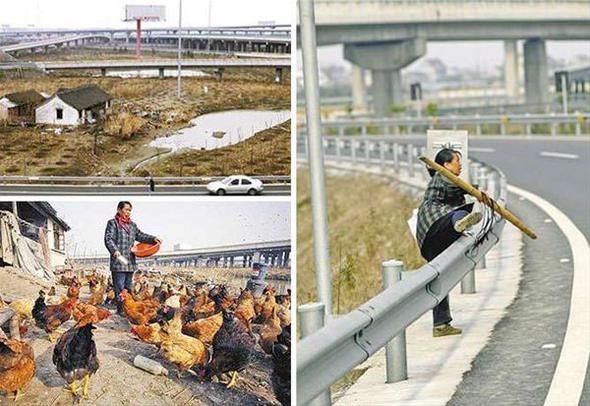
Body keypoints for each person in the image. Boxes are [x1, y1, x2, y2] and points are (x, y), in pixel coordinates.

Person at [416, 148, 483, 337]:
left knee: (440, 276)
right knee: (462, 212)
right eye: (457, 161)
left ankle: (441, 324)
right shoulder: (441, 176)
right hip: (434, 226)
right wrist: (475, 191)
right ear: (446, 165)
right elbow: (455, 186)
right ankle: (459, 224)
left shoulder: (445, 178)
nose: (460, 165)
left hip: (431, 238)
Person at [104, 201, 161, 315]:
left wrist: (153, 238)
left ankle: (129, 310)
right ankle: (121, 310)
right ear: (119, 210)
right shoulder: (112, 223)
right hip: (119, 260)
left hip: (130, 260)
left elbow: (140, 235)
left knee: (128, 287)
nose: (128, 212)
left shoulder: (132, 225)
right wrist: (114, 251)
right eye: (126, 210)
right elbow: (108, 239)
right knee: (119, 287)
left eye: (130, 210)